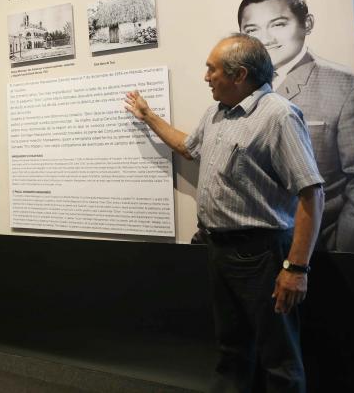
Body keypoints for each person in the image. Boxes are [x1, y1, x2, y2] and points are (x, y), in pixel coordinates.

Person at [124, 35, 323, 392]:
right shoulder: (217, 113)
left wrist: (296, 269)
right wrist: (148, 116)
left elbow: (312, 192)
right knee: (232, 350)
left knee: (279, 357)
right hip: (220, 250)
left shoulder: (278, 116)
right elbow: (187, 147)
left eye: (211, 69)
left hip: (261, 255)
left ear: (239, 74)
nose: (206, 77)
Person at [238, 0, 354, 253]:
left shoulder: (344, 85)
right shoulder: (240, 86)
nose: (266, 39)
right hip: (254, 251)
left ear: (307, 24)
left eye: (278, 24)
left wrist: (346, 251)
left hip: (320, 248)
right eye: (252, 30)